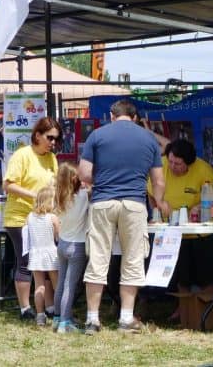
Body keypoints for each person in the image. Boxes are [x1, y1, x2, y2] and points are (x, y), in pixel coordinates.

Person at [78, 99, 168, 335]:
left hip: (103, 202)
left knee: (98, 259)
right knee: (133, 259)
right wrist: (158, 201)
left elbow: (85, 174)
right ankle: (126, 318)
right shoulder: (148, 138)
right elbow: (158, 180)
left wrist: (105, 181)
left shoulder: (96, 136)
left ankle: (92, 319)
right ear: (136, 118)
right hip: (134, 204)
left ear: (112, 116)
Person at [147, 139, 213, 321]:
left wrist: (198, 208)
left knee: (206, 274)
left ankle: (207, 308)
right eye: (171, 161)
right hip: (171, 231)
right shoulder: (161, 166)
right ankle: (184, 309)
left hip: (200, 231)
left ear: (189, 163)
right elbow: (150, 192)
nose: (172, 166)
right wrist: (159, 204)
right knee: (182, 275)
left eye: (178, 164)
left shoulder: (203, 169)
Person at [3, 116, 61, 320]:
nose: (53, 142)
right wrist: (35, 196)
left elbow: (55, 185)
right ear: (37, 135)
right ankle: (25, 309)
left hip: (43, 219)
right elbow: (8, 185)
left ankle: (49, 308)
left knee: (45, 263)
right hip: (21, 218)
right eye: (50, 138)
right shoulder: (22, 155)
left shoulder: (51, 158)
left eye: (56, 139)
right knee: (27, 262)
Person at [52, 163, 90, 333]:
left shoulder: (58, 197)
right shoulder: (83, 196)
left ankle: (57, 317)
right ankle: (65, 322)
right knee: (70, 285)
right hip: (77, 245)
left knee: (61, 283)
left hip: (62, 244)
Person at [26, 185, 60, 327]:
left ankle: (40, 315)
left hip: (35, 253)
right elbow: (58, 236)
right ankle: (59, 313)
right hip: (50, 253)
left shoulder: (29, 217)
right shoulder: (52, 217)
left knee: (39, 286)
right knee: (57, 285)